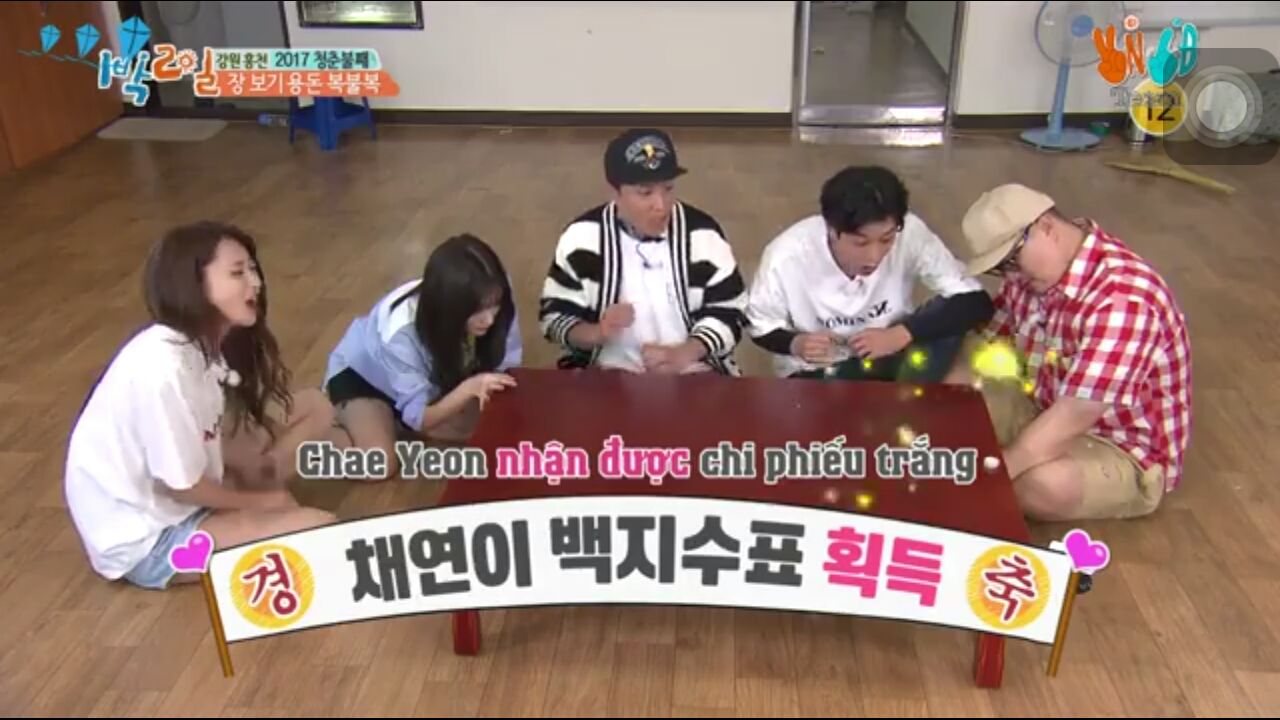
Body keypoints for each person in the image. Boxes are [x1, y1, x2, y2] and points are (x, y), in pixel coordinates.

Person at [65, 221, 338, 590]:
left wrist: (258, 490)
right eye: (238, 273)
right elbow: (181, 486)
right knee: (320, 528)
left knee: (306, 427)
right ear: (194, 284)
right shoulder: (165, 369)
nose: (256, 283)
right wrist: (259, 502)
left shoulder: (192, 349)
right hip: (149, 543)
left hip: (177, 506)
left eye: (253, 269)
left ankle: (257, 504)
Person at [950, 183, 1192, 521]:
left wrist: (986, 480)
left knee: (1040, 485)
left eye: (1011, 261)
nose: (1011, 277)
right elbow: (986, 341)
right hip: (1041, 405)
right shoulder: (1029, 277)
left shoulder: (1123, 300)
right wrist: (945, 404)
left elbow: (1073, 415)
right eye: (1000, 268)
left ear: (1046, 228)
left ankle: (1008, 467)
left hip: (1117, 444)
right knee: (951, 400)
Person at [747, 165, 994, 381]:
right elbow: (760, 326)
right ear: (832, 229)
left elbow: (975, 301)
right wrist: (797, 343)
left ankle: (907, 400)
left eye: (886, 240)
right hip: (818, 369)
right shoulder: (787, 255)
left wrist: (901, 334)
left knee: (949, 329)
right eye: (860, 243)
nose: (874, 256)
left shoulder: (910, 233)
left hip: (889, 352)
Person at [538, 128, 748, 375]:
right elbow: (554, 318)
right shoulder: (582, 237)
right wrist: (597, 333)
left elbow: (731, 312)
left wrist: (684, 353)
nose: (661, 206)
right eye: (645, 193)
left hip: (694, 371)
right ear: (614, 193)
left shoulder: (703, 234)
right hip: (606, 373)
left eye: (668, 189)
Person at [325, 233, 521, 476]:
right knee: (379, 464)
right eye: (478, 310)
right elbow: (419, 417)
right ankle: (317, 428)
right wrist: (470, 388)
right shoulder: (400, 331)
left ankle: (394, 423)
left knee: (491, 430)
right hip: (364, 379)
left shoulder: (495, 293)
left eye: (494, 305)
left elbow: (506, 366)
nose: (490, 319)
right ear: (450, 305)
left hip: (425, 384)